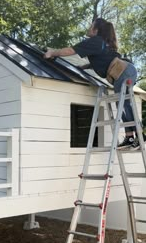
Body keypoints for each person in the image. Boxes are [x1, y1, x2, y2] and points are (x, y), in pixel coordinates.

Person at [44, 17, 141, 150]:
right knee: (122, 104)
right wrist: (84, 67)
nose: (89, 28)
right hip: (124, 71)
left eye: (91, 26)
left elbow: (71, 51)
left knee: (123, 104)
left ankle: (137, 137)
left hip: (123, 71)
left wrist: (52, 53)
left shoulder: (95, 41)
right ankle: (131, 137)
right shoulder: (100, 43)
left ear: (96, 30)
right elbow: (101, 60)